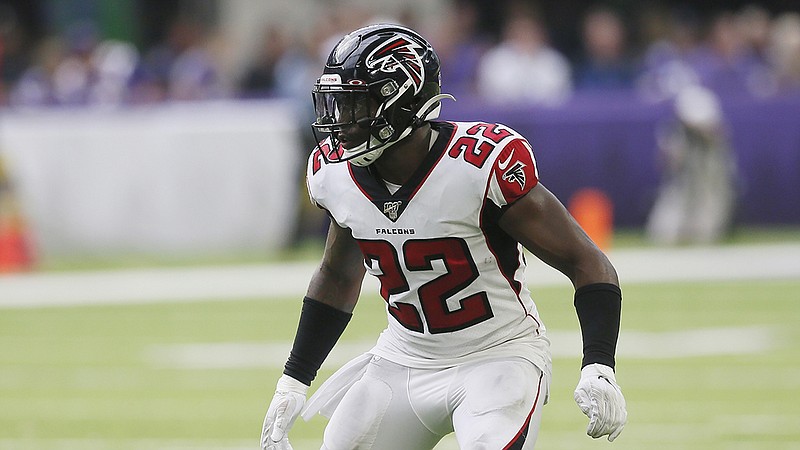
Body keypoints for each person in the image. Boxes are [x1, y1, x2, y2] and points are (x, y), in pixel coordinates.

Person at [261, 24, 626, 449]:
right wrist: (293, 379)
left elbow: (587, 262)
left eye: (355, 104)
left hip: (498, 354)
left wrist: (599, 363)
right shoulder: (335, 173)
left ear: (399, 102)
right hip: (404, 357)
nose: (340, 122)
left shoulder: (478, 163)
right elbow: (338, 277)